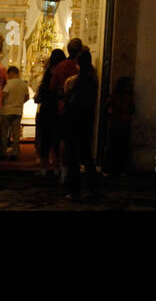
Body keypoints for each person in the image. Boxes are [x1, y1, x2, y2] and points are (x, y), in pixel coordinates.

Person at [63, 49, 100, 200]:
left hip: (73, 120)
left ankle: (74, 190)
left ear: (77, 64)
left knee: (73, 156)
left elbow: (66, 100)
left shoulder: (72, 81)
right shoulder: (93, 80)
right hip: (87, 120)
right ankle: (92, 188)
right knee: (87, 155)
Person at [50, 38, 84, 183]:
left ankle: (63, 169)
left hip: (63, 108)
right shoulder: (82, 67)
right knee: (78, 139)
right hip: (80, 109)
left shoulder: (61, 66)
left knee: (63, 140)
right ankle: (74, 167)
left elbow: (53, 87)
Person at [35, 48, 65, 177]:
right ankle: (57, 166)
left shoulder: (49, 71)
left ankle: (44, 166)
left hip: (47, 107)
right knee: (57, 139)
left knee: (45, 138)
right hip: (58, 108)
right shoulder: (64, 69)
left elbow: (45, 88)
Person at [104, 76, 135, 178]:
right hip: (121, 124)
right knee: (120, 148)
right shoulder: (127, 97)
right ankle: (118, 169)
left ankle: (113, 169)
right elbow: (132, 109)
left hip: (117, 124)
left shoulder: (115, 96)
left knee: (116, 147)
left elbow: (107, 106)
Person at [0, 65, 30, 160]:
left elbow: (4, 95)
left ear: (11, 73)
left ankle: (3, 152)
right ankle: (15, 153)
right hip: (18, 111)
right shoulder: (24, 84)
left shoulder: (8, 83)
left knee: (4, 133)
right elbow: (27, 97)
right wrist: (19, 102)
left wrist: (2, 104)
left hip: (7, 110)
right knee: (16, 134)